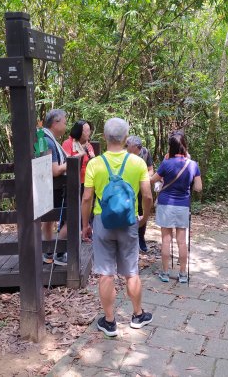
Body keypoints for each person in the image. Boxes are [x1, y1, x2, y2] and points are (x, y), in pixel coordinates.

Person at [82, 118, 153, 337]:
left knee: (106, 273)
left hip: (102, 221)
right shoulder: (138, 162)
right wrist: (143, 219)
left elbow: (87, 198)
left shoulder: (95, 164)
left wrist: (85, 225)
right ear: (125, 138)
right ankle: (138, 315)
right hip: (129, 221)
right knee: (131, 272)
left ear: (104, 137)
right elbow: (148, 195)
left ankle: (110, 321)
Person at [150, 131, 202, 284]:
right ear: (185, 146)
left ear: (170, 147)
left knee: (166, 240)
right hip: (183, 205)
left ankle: (165, 273)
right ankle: (183, 274)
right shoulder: (192, 165)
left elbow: (153, 180)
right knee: (182, 241)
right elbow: (198, 187)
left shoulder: (166, 164)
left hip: (166, 204)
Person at [41, 109, 68, 266]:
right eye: (64, 122)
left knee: (48, 219)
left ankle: (49, 251)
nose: (65, 126)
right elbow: (55, 170)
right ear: (55, 123)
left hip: (48, 188)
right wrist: (72, 161)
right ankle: (58, 251)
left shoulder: (44, 139)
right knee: (73, 218)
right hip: (54, 187)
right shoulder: (48, 141)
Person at [125, 136, 154, 252]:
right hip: (127, 189)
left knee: (141, 212)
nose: (127, 148)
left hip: (141, 188)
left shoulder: (145, 153)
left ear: (136, 147)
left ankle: (141, 238)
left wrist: (144, 178)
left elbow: (151, 169)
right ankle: (128, 239)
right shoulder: (123, 154)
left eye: (129, 146)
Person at [62, 120, 95, 187]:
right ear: (79, 132)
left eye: (89, 130)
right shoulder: (68, 143)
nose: (89, 133)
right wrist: (81, 153)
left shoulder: (88, 145)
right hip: (73, 183)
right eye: (87, 131)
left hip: (88, 182)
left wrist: (93, 158)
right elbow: (68, 162)